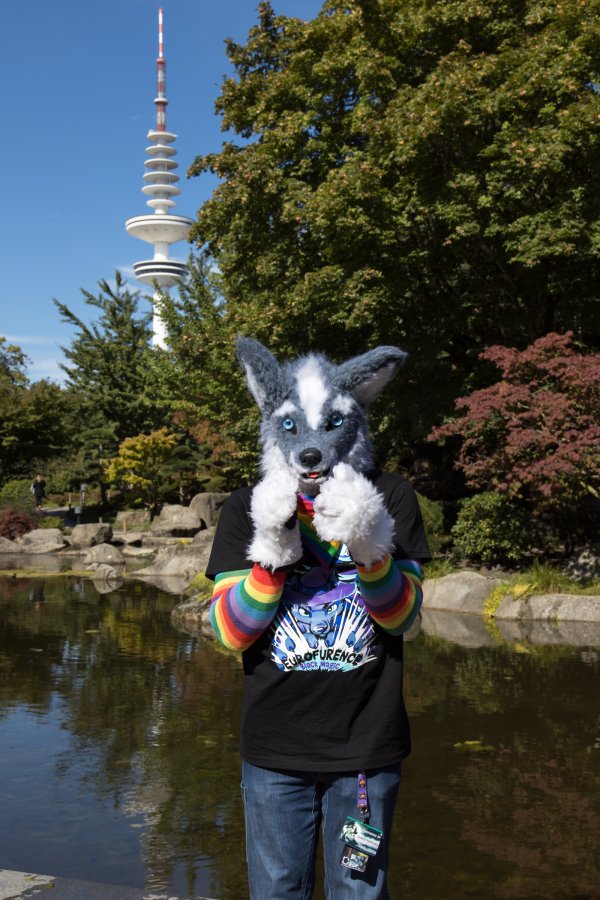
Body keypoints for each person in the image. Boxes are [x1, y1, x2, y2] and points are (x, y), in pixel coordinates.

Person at [206, 338, 431, 899]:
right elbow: (229, 633)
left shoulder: (391, 496)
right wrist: (272, 550)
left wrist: (367, 542)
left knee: (360, 892)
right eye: (293, 429)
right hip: (275, 751)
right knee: (278, 889)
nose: (313, 448)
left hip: (367, 750)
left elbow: (404, 618)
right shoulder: (245, 506)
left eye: (331, 425)